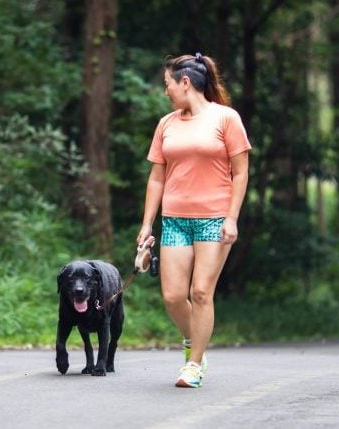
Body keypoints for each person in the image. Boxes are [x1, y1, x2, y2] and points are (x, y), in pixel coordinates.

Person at [136, 53, 251, 388]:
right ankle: (194, 340)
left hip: (214, 220)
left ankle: (195, 364)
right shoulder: (166, 124)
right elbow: (156, 178)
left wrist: (232, 218)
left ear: (185, 82)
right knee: (173, 296)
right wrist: (147, 225)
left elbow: (241, 173)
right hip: (174, 220)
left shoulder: (226, 119)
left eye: (167, 84)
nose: (166, 91)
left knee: (201, 291)